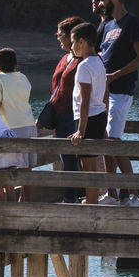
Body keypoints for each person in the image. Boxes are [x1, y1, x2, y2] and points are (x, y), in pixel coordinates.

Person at [92, 0, 139, 198]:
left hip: (121, 91)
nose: (100, 3)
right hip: (104, 92)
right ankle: (112, 194)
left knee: (114, 142)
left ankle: (134, 195)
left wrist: (115, 75)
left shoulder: (131, 22)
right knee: (106, 142)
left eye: (102, 0)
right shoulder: (108, 25)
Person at [41, 16, 87, 184]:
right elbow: (57, 88)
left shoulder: (84, 61)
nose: (58, 38)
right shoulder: (64, 58)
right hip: (59, 116)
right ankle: (71, 195)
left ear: (71, 36)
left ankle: (86, 194)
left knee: (81, 159)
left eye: (60, 34)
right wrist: (44, 116)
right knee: (66, 161)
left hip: (74, 116)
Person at [67, 22, 108, 203]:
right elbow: (104, 93)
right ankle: (93, 203)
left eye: (73, 42)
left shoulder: (84, 66)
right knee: (92, 166)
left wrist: (80, 131)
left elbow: (85, 100)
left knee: (88, 167)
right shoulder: (99, 61)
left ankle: (92, 207)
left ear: (82, 42)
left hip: (88, 118)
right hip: (98, 116)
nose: (71, 47)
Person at [0, 48, 34, 177]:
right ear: (16, 65)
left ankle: (8, 191)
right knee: (26, 167)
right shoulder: (23, 77)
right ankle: (27, 191)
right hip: (30, 126)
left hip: (12, 128)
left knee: (1, 168)